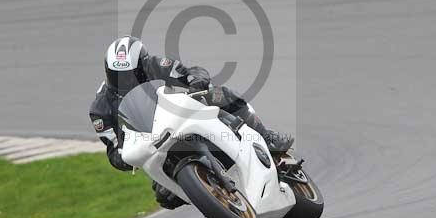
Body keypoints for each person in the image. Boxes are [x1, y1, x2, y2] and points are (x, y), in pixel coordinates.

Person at [89, 35, 294, 209]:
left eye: (132, 74)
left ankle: (266, 137)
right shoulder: (101, 109)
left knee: (221, 94)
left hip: (180, 115)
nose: (127, 81)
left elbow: (190, 72)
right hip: (153, 145)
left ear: (143, 65)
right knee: (164, 196)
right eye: (118, 76)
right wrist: (124, 157)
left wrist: (197, 81)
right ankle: (208, 192)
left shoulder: (155, 65)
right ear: (108, 73)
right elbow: (113, 149)